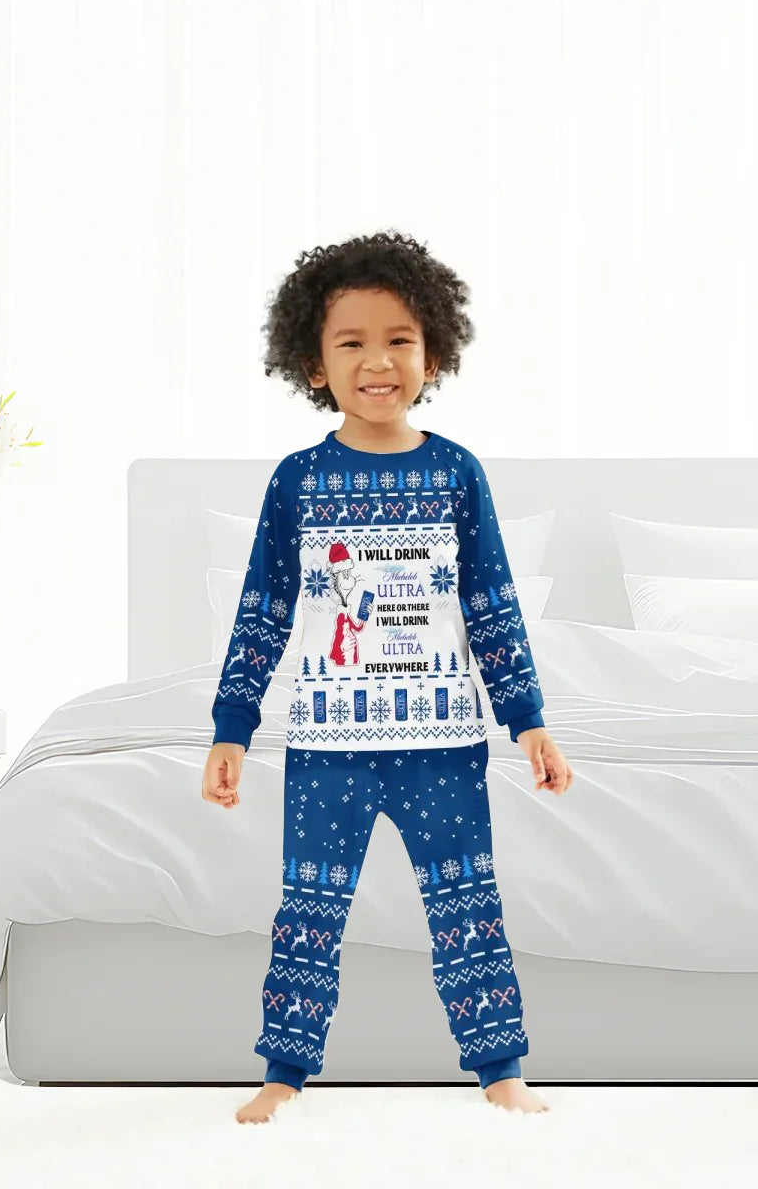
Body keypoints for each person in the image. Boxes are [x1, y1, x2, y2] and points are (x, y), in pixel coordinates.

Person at [201, 230, 573, 1125]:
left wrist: (527, 719)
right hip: (328, 745)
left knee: (466, 901)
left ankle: (502, 1070)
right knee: (310, 906)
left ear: (434, 353)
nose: (378, 361)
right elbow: (264, 611)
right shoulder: (298, 482)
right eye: (352, 343)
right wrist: (231, 725)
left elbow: (491, 605)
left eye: (399, 339)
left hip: (442, 740)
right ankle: (284, 1070)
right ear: (313, 364)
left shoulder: (455, 473)